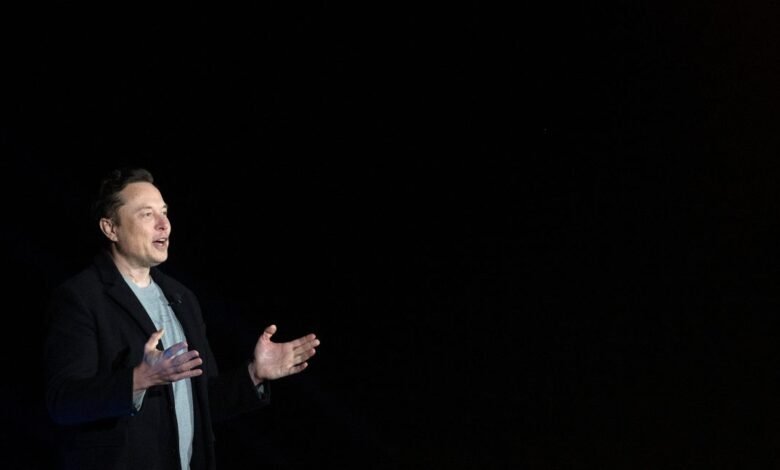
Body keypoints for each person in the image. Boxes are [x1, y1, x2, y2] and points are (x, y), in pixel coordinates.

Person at [43, 167, 320, 470]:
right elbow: (64, 403)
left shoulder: (181, 298)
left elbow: (204, 401)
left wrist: (255, 374)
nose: (164, 225)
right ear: (111, 228)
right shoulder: (82, 297)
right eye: (147, 215)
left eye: (164, 213)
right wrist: (139, 379)